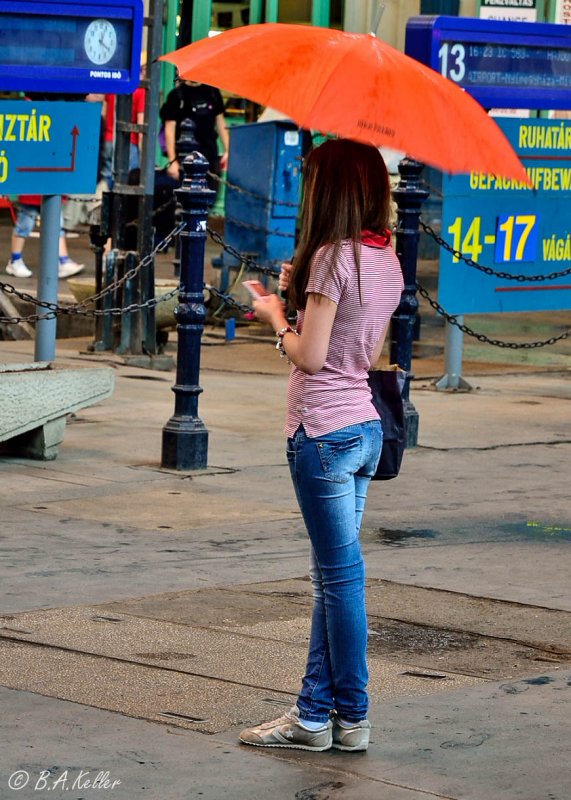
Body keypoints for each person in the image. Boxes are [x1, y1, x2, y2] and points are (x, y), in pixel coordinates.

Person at [239, 139, 404, 753]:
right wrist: (302, 292)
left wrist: (277, 317)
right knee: (332, 581)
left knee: (341, 580)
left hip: (324, 435)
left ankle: (353, 717)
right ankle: (314, 715)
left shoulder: (335, 258)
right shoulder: (383, 259)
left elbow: (310, 356)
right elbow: (357, 345)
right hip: (363, 429)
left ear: (330, 190)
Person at [160, 80, 229, 187]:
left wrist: (228, 149)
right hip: (186, 157)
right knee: (186, 198)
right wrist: (172, 160)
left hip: (210, 155)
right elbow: (169, 128)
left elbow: (220, 121)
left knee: (210, 195)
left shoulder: (213, 92)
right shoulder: (177, 95)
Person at [6, 196, 84, 279]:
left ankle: (63, 260)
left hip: (47, 193)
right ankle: (15, 260)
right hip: (31, 194)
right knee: (24, 226)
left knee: (57, 226)